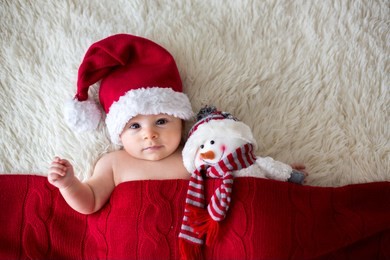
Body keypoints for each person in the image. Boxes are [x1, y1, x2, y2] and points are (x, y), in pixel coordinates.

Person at [47, 34, 193, 214]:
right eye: (134, 126)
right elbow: (90, 202)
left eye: (161, 121)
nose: (149, 134)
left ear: (181, 123)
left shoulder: (192, 157)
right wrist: (68, 184)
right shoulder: (114, 164)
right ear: (118, 133)